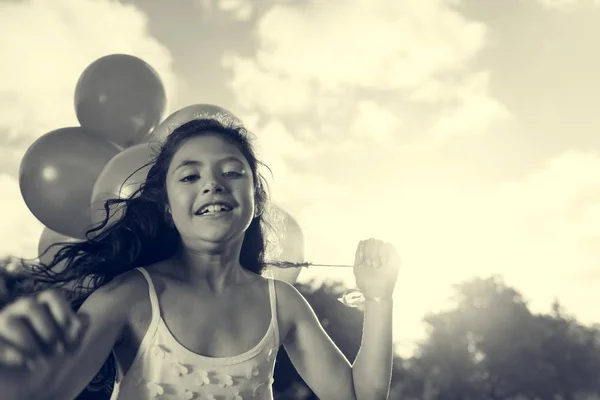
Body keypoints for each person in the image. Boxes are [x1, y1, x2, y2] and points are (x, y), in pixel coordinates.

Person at [0, 118, 400, 400]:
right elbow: (45, 391)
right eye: (190, 177)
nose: (213, 184)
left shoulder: (283, 303)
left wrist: (380, 299)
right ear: (168, 209)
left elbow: (359, 395)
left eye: (232, 172)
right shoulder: (130, 297)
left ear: (256, 201)